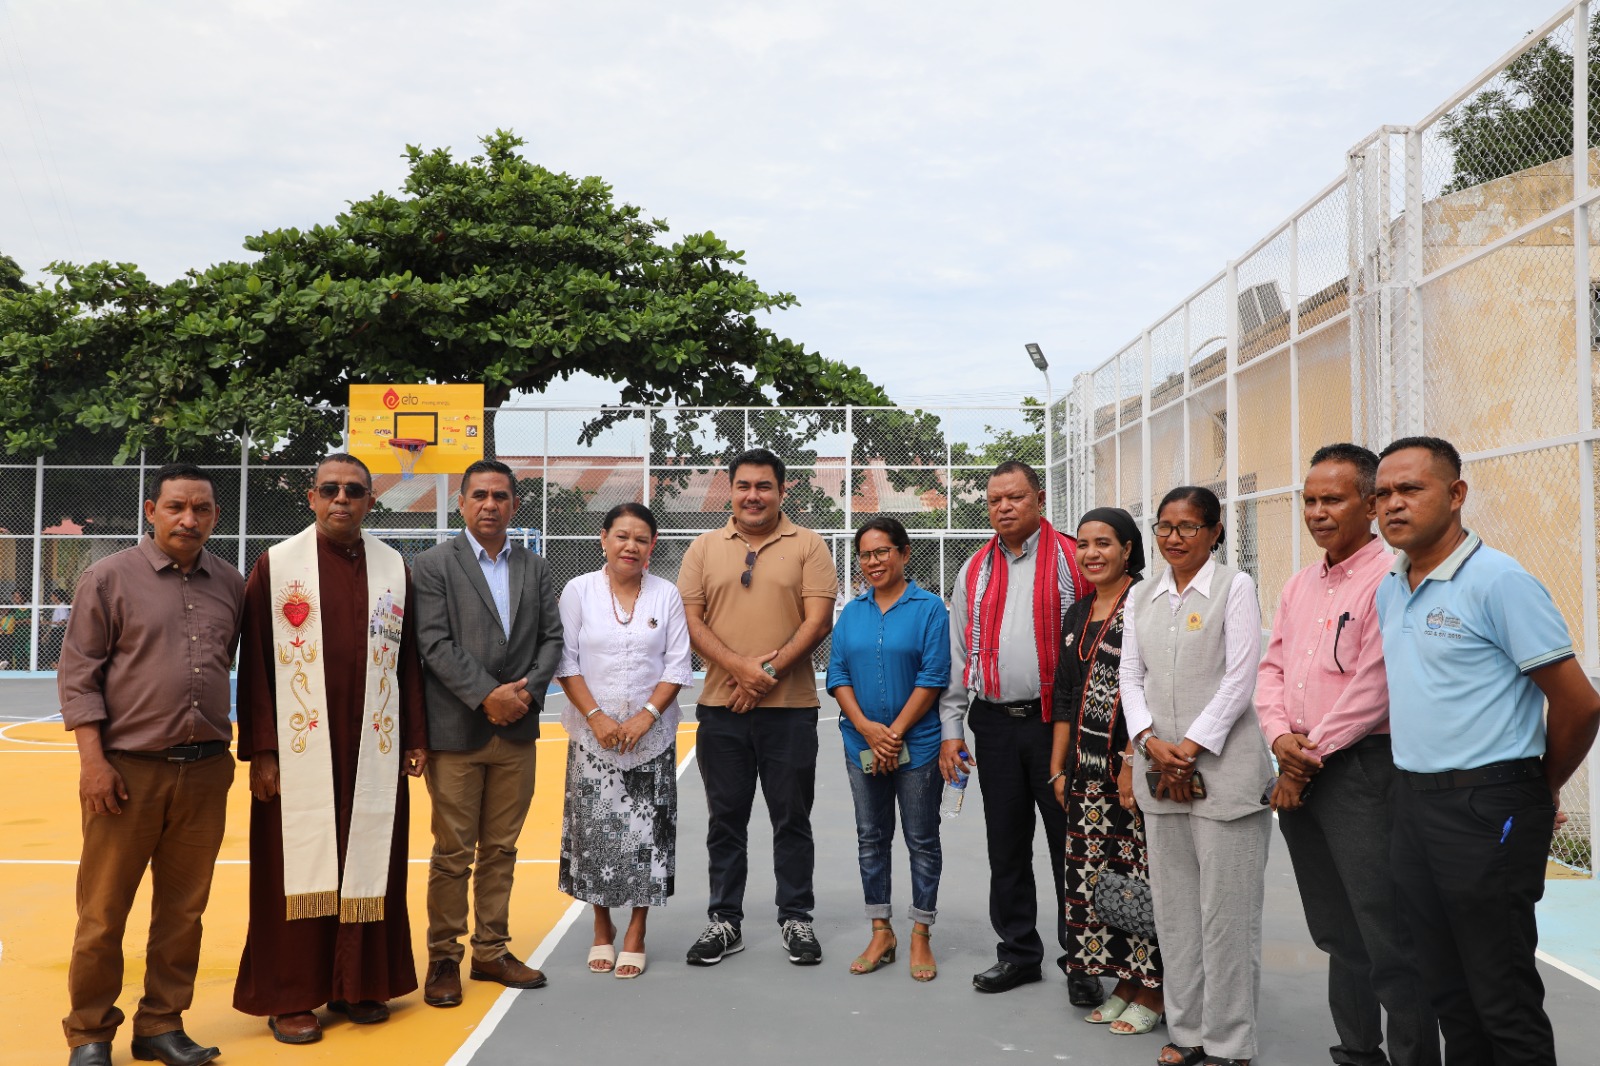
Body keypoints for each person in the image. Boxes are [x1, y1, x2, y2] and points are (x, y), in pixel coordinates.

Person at [1374, 436, 1600, 1066]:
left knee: (1500, 994)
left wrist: (1538, 785)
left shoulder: (1499, 581)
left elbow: (1580, 705)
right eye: (1383, 493)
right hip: (1414, 804)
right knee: (1448, 990)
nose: (1393, 504)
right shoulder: (1391, 587)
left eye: (1410, 489)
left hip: (1489, 804)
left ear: (1456, 495)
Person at [232, 453, 430, 1045]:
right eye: (330, 489)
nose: (341, 499)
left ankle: (360, 982)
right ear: (312, 498)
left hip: (374, 743)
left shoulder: (395, 567)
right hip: (298, 751)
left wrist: (415, 737)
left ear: (371, 500)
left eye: (354, 490)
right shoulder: (277, 567)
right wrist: (262, 750)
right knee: (294, 867)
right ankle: (292, 995)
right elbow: (258, 665)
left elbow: (407, 662)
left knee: (373, 860)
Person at [1257, 444, 1439, 1066]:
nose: (1317, 512)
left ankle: (1415, 1056)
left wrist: (1304, 759)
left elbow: (1375, 685)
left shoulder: (1391, 578)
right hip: (1301, 771)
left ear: (1368, 503)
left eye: (1331, 499)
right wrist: (1281, 738)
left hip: (1360, 772)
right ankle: (1358, 1052)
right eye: (1309, 500)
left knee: (1386, 930)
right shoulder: (1300, 584)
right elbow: (1272, 667)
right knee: (1337, 929)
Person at [57, 463, 245, 1066]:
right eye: (176, 507)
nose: (189, 519)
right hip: (127, 773)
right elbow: (79, 676)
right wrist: (94, 762)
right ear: (151, 510)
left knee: (183, 912)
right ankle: (89, 1034)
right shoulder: (108, 578)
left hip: (207, 770)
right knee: (104, 912)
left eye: (202, 509)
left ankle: (160, 1024)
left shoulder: (232, 584)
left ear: (215, 516)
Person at [1123, 485, 1272, 1066]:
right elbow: (1132, 677)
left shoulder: (1235, 587)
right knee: (1177, 912)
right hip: (1160, 772)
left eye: (1188, 527)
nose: (1174, 538)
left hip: (1225, 773)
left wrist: (1189, 745)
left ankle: (1230, 1043)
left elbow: (1240, 677)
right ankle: (1186, 1034)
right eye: (1164, 527)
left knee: (1227, 916)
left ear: (1214, 532)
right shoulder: (1143, 595)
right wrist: (1149, 742)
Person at [676, 447, 837, 966]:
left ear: (781, 490)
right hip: (722, 711)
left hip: (790, 710)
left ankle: (796, 918)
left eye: (764, 486)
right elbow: (693, 623)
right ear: (731, 490)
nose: (753, 495)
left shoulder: (809, 545)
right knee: (726, 820)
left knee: (792, 818)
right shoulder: (703, 548)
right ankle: (725, 921)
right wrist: (741, 671)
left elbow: (818, 622)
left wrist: (763, 676)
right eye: (743, 485)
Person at [938, 460, 1092, 999]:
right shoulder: (975, 569)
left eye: (1015, 498)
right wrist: (952, 727)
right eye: (994, 500)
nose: (1003, 508)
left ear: (1040, 499)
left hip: (1058, 726)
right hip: (995, 726)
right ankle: (1019, 954)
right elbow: (959, 653)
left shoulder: (1076, 557)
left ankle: (1081, 960)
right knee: (1005, 845)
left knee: (1069, 844)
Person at [412, 459, 563, 1007]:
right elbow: (434, 643)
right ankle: (444, 958)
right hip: (457, 730)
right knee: (453, 851)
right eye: (479, 495)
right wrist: (487, 695)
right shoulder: (432, 565)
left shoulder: (535, 567)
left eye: (500, 496)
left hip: (517, 731)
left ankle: (491, 951)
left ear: (514, 505)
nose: (490, 505)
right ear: (461, 502)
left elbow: (552, 640)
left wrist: (523, 695)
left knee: (501, 848)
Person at [556, 502, 693, 979]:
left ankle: (636, 929)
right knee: (593, 837)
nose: (630, 546)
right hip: (592, 739)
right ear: (604, 539)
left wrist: (645, 718)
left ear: (652, 546)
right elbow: (566, 661)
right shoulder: (578, 591)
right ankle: (601, 927)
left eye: (640, 538)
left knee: (647, 840)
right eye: (621, 536)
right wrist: (594, 717)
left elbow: (678, 665)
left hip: (649, 741)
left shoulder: (666, 595)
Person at [1048, 507, 1164, 1035]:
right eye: (1083, 545)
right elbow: (1068, 694)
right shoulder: (1079, 612)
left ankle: (1155, 989)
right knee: (1101, 885)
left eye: (1104, 543)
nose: (1092, 553)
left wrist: (1130, 764)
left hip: (1132, 774)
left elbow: (1156, 688)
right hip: (1085, 776)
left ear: (1129, 549)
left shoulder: (1148, 603)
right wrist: (1058, 766)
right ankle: (1123, 982)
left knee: (1144, 881)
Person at [826, 517, 951, 981]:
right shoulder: (852, 612)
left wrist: (893, 733)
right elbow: (837, 674)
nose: (873, 562)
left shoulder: (930, 609)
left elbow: (933, 676)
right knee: (871, 837)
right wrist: (866, 728)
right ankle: (882, 930)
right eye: (865, 554)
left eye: (882, 552)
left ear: (903, 553)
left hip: (916, 746)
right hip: (861, 745)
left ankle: (920, 933)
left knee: (921, 838)